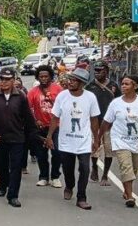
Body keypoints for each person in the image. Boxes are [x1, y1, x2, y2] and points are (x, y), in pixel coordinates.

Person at [46, 68, 100, 210]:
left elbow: (94, 119)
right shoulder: (62, 96)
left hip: (84, 140)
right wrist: (49, 136)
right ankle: (69, 186)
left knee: (85, 168)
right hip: (66, 141)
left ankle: (81, 198)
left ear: (82, 83)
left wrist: (96, 139)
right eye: (70, 79)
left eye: (74, 80)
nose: (70, 82)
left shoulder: (90, 97)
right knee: (68, 169)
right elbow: (55, 118)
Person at [0, 69, 39, 207]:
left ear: (13, 80)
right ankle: (3, 185)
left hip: (17, 138)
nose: (4, 82)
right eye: (1, 79)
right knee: (1, 165)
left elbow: (28, 118)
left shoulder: (20, 96)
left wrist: (33, 136)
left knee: (15, 168)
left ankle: (13, 195)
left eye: (7, 79)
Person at [97, 75, 138, 207]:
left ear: (135, 86)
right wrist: (99, 137)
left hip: (137, 141)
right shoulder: (116, 103)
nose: (123, 86)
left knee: (133, 169)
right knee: (125, 166)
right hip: (120, 140)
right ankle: (130, 196)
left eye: (127, 84)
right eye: (122, 84)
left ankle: (126, 189)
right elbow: (106, 122)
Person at [28, 65, 64, 188]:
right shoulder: (33, 92)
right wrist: (35, 120)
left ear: (50, 77)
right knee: (41, 154)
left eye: (46, 76)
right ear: (37, 77)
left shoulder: (58, 89)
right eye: (41, 76)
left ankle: (55, 177)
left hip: (56, 127)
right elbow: (28, 109)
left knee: (57, 152)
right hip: (40, 127)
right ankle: (43, 177)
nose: (43, 79)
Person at [86, 60, 120, 186]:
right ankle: (94, 168)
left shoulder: (114, 86)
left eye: (100, 70)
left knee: (109, 149)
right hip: (94, 123)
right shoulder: (90, 87)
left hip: (110, 125)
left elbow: (119, 103)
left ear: (106, 71)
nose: (97, 73)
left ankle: (105, 174)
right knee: (95, 148)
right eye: (95, 70)